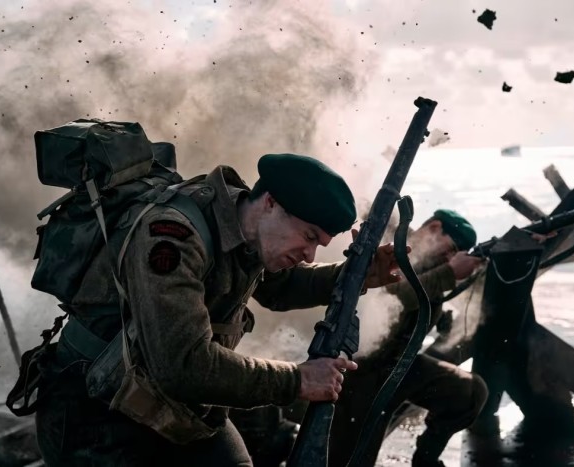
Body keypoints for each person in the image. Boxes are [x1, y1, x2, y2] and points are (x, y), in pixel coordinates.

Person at [33, 153, 403, 466]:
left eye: (319, 244)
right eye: (308, 237)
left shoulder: (251, 230)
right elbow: (184, 366)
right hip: (96, 411)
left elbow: (282, 287)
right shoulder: (171, 235)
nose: (310, 255)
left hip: (169, 401)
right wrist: (298, 379)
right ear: (270, 202)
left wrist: (356, 276)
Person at [327, 209, 489, 467]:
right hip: (361, 372)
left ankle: (426, 460)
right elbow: (392, 298)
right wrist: (448, 272)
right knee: (350, 460)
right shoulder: (392, 246)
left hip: (400, 366)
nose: (449, 257)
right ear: (434, 228)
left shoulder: (434, 265)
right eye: (450, 249)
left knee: (469, 392)